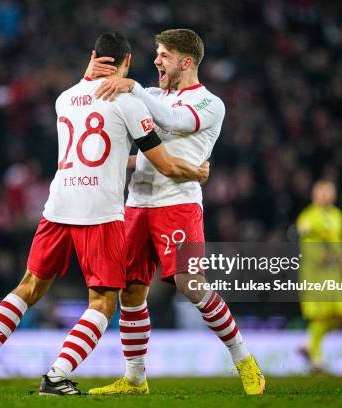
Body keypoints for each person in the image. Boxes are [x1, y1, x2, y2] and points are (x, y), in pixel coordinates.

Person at [0, 31, 209, 396]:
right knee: (103, 301)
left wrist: (86, 76)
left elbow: (87, 96)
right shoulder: (128, 103)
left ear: (92, 56)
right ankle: (56, 375)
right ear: (127, 63)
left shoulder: (63, 99)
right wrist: (196, 171)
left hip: (57, 205)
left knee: (28, 286)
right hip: (99, 210)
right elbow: (163, 164)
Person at [85, 29, 265, 395]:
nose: (156, 61)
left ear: (186, 62)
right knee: (131, 292)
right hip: (137, 205)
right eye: (156, 54)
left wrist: (131, 88)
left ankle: (245, 361)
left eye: (164, 55)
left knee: (191, 285)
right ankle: (135, 379)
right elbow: (131, 135)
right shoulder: (150, 94)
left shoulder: (209, 103)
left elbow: (174, 122)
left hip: (179, 205)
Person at [296, 180, 342, 373]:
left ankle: (310, 344)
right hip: (315, 274)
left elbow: (340, 242)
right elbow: (306, 243)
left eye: (328, 192)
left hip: (334, 274)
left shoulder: (337, 215)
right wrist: (321, 256)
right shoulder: (307, 217)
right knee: (319, 316)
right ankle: (316, 359)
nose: (325, 196)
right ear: (314, 195)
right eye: (321, 192)